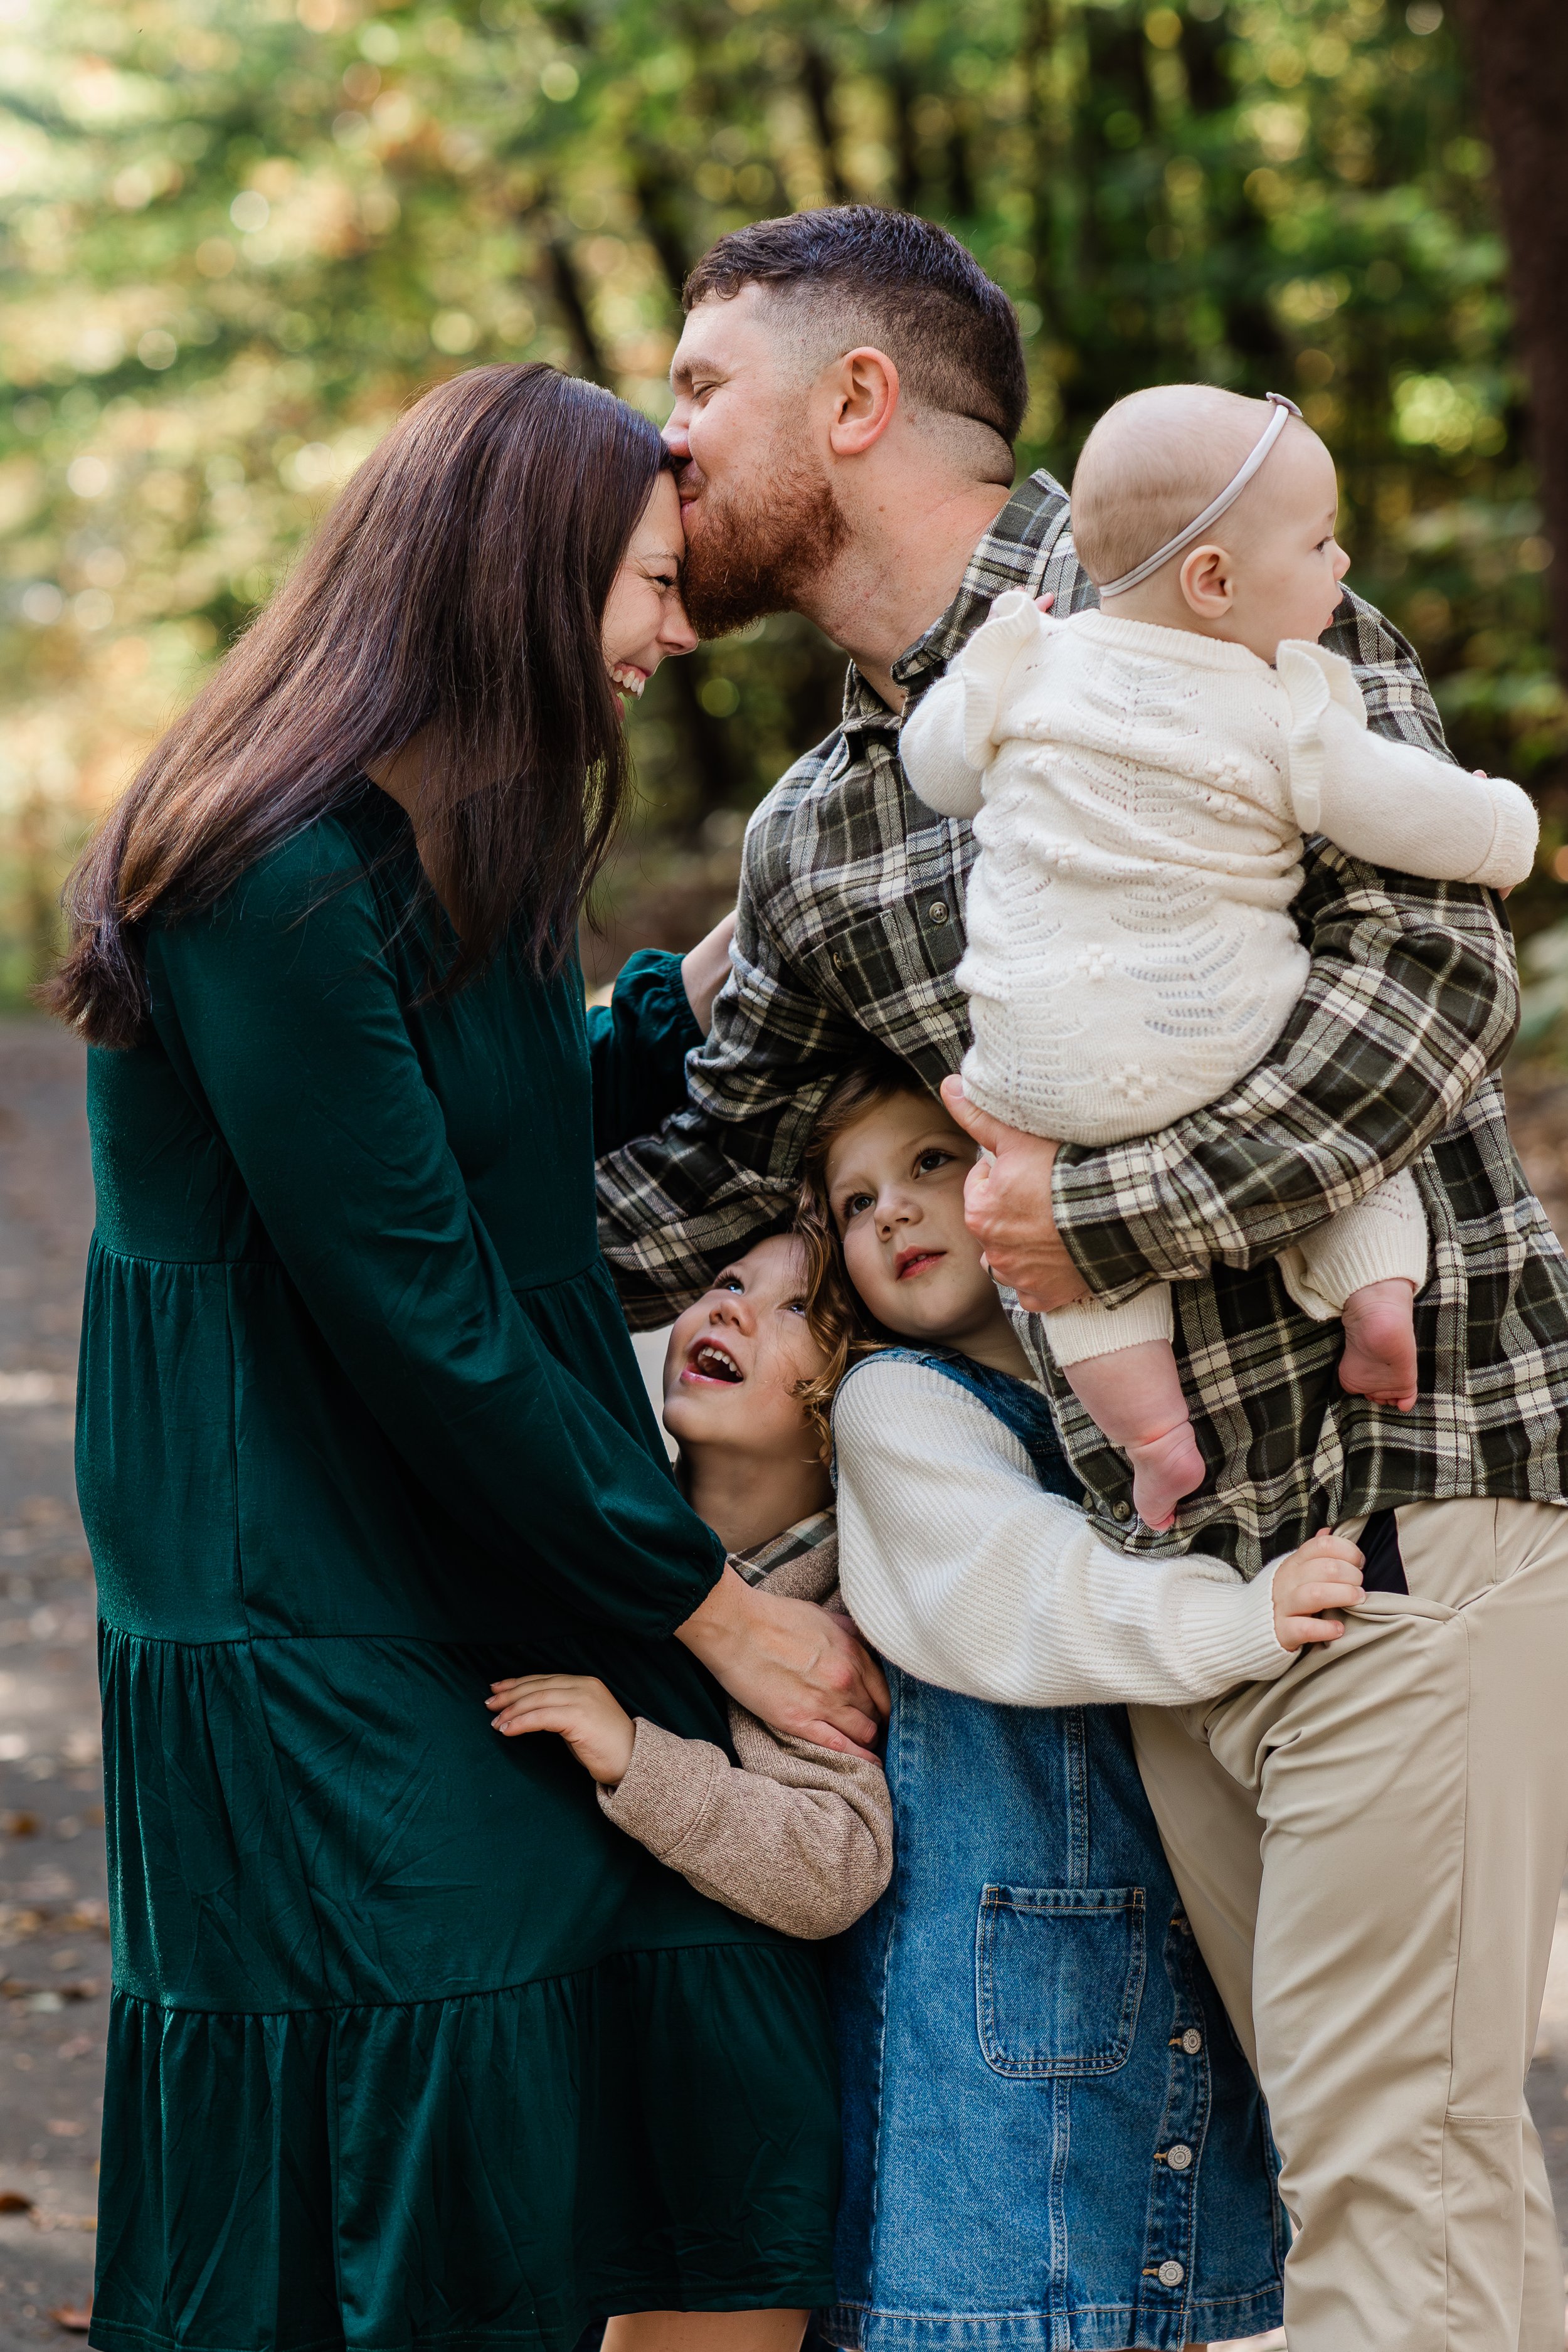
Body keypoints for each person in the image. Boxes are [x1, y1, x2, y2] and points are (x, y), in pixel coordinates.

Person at [594, 206, 1568, 2350]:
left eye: (697, 393)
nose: (660, 451)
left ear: (854, 405)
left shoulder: (1198, 583)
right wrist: (316, 1149)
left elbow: (1440, 977)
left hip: (1408, 1487)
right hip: (1185, 1596)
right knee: (1344, 2205)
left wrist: (1110, 1219)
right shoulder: (827, 836)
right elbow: (679, 1195)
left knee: (1411, 2206)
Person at [48, 361, 887, 2352]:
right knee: (434, 2035)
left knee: (673, 1973)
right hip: (285, 1573)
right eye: (650, 583)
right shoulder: (266, 867)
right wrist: (714, 1613)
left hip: (420, 1532)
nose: (676, 632)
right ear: (516, 574)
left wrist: (699, 1006)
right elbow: (419, 1306)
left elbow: (485, 1128)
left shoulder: (445, 848)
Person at [793, 1052, 1367, 2352]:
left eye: (927, 1164)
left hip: (1155, 1983)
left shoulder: (1153, 1392)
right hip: (1001, 2058)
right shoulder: (901, 1406)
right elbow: (1027, 1590)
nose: (889, 1210)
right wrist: (1236, 1620)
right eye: (853, 1201)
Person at [900, 382, 1537, 1526]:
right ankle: (1377, 1300)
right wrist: (1506, 826)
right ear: (1214, 583)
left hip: (1035, 1071)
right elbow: (1401, 810)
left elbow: (936, 773)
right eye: (1322, 540)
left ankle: (1152, 1436)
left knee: (1057, 1249)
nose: (1341, 565)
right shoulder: (1276, 699)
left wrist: (985, 666)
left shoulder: (1036, 657)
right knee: (1344, 1123)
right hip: (1224, 1038)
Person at [486, 1231, 893, 1942]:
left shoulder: (832, 1621)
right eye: (729, 1282)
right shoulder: (602, 1510)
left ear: (854, 1390)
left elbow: (836, 1869)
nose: (729, 1311)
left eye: (798, 1309)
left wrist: (639, 1761)